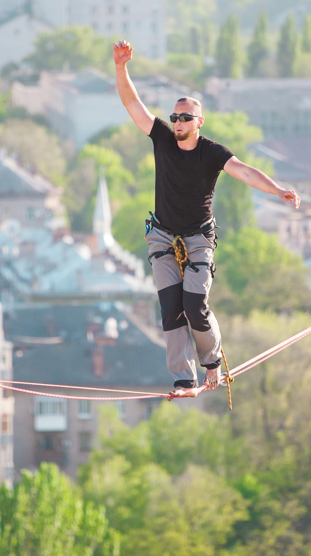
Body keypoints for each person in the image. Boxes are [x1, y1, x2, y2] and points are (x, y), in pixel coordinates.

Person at [113, 39, 300, 398]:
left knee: (194, 306)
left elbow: (244, 171)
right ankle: (184, 379)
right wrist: (121, 68)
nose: (178, 122)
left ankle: (211, 360)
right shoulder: (163, 140)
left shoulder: (212, 152)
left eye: (185, 117)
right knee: (171, 309)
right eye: (175, 117)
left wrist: (278, 191)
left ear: (199, 121)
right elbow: (132, 103)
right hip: (163, 236)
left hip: (198, 238)